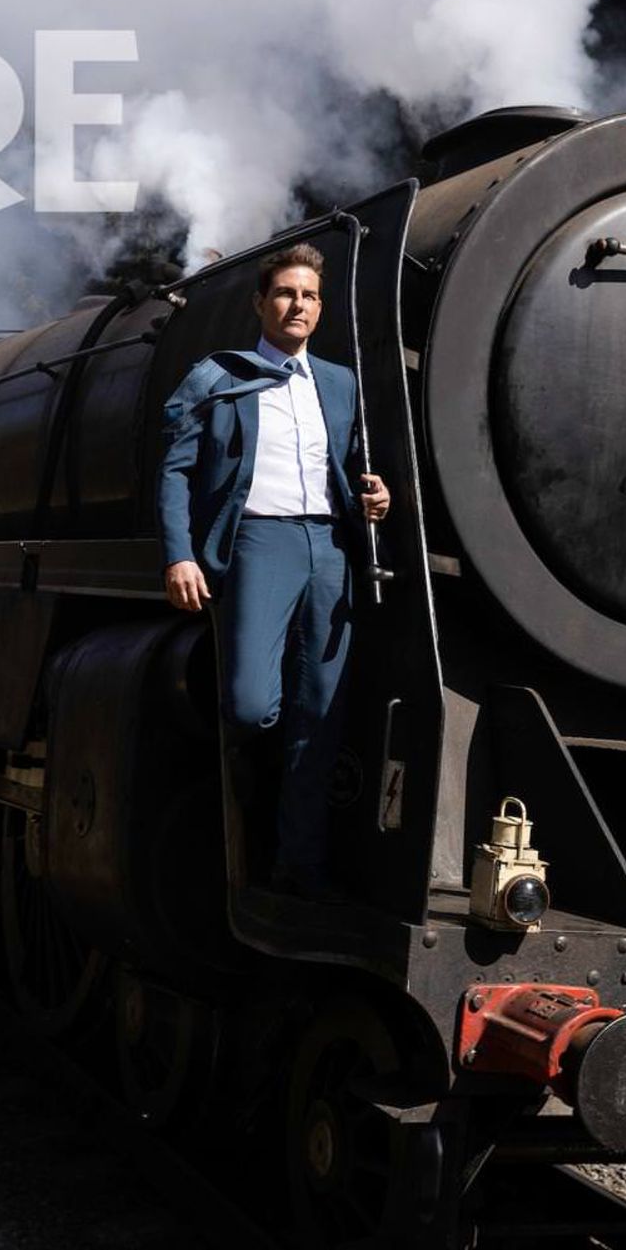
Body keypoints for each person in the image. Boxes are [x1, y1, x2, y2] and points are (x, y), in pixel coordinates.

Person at [158, 243, 392, 900]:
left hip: (331, 547)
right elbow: (175, 470)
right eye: (286, 293)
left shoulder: (340, 383)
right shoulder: (217, 376)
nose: (299, 305)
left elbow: (352, 467)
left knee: (321, 713)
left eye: (310, 296)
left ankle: (298, 866)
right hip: (260, 541)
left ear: (320, 309)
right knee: (252, 705)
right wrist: (179, 553)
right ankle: (247, 812)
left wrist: (377, 496)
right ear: (261, 302)